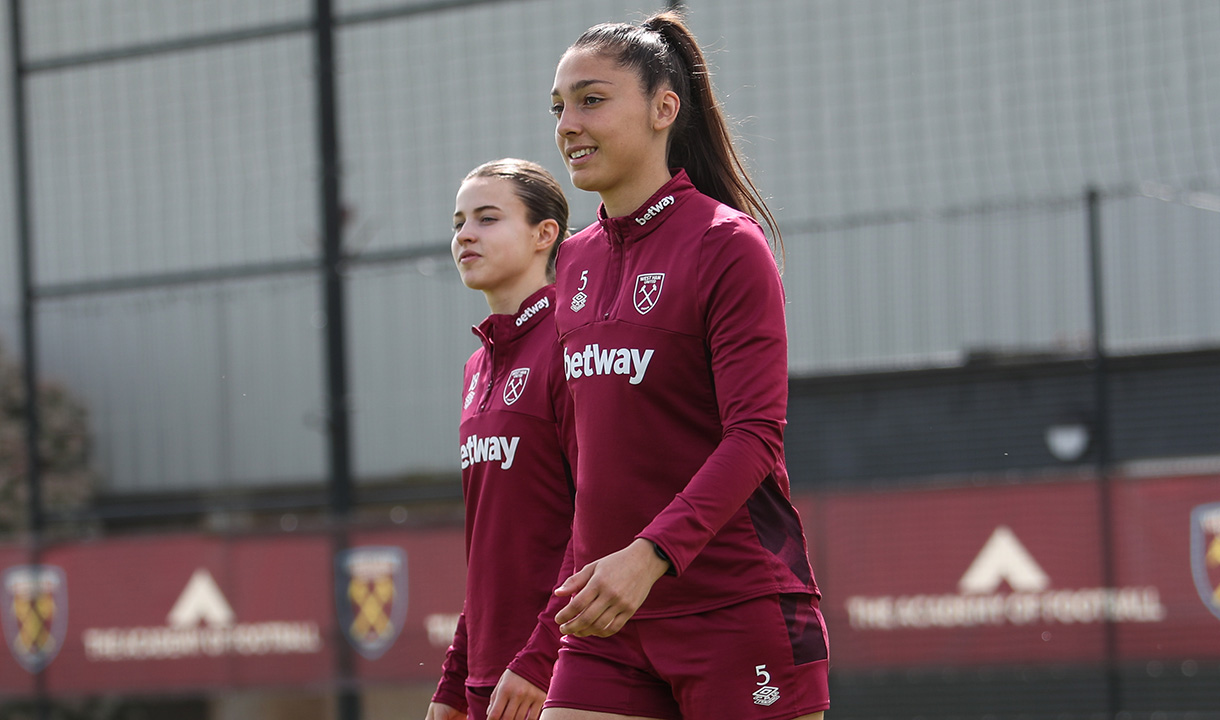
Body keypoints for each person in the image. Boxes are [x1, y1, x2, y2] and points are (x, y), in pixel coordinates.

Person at [541, 10, 828, 720]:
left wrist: (649, 557)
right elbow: (593, 464)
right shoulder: (571, 261)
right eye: (559, 106)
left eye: (592, 99)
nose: (568, 124)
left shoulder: (727, 245)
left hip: (736, 606)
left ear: (665, 108)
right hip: (608, 621)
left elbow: (755, 436)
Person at [428, 159, 578, 720]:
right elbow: (488, 548)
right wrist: (453, 681)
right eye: (458, 222)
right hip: (488, 680)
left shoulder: (573, 345)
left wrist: (541, 659)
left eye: (487, 218)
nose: (464, 234)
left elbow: (601, 520)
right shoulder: (475, 368)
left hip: (559, 673)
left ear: (545, 234)